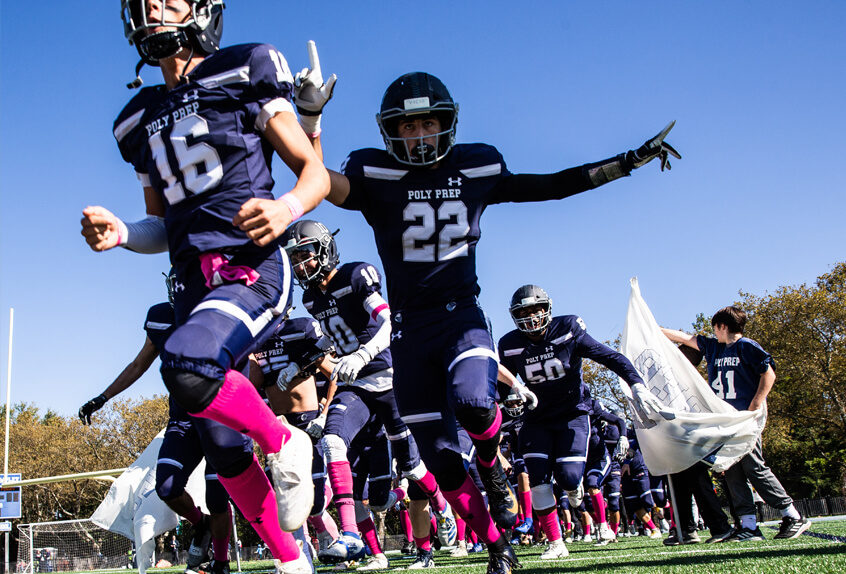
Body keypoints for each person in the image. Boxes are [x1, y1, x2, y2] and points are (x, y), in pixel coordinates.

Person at [297, 51, 677, 573]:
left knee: (476, 401)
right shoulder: (373, 172)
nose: (420, 135)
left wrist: (625, 162)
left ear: (447, 123)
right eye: (408, 125)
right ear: (391, 131)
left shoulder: (476, 165)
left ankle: (491, 457)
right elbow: (318, 183)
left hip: (460, 316)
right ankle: (496, 542)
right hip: (409, 328)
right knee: (439, 461)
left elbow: (550, 185)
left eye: (429, 122)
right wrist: (310, 119)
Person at [80, 2, 331, 572]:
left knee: (186, 365)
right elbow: (163, 228)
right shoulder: (137, 118)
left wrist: (286, 208)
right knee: (219, 445)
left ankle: (285, 441)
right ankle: (292, 561)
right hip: (196, 286)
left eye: (169, 3)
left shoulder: (245, 68)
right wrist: (121, 233)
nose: (155, 15)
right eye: (146, 5)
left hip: (252, 267)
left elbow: (313, 173)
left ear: (203, 9)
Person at [281, 220, 456, 563]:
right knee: (332, 442)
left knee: (410, 467)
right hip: (355, 384)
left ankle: (441, 503)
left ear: (325, 250)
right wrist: (303, 365)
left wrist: (361, 355)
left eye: (306, 255)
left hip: (390, 377)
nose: (301, 265)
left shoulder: (356, 276)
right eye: (295, 258)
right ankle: (349, 533)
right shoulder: (310, 298)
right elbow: (336, 337)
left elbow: (388, 321)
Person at [78, 285, 242, 574]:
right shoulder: (161, 316)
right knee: (167, 485)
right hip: (182, 420)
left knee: (217, 497)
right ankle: (199, 524)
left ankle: (221, 562)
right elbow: (139, 363)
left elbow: (246, 364)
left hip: (219, 417)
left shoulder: (220, 311)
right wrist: (103, 397)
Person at [498, 285, 649, 559]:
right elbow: (502, 385)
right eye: (523, 312)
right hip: (537, 418)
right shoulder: (509, 344)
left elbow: (609, 356)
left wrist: (636, 383)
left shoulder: (567, 328)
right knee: (539, 482)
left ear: (547, 309)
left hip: (572, 415)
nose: (531, 317)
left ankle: (574, 488)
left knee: (569, 478)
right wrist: (509, 398)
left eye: (536, 310)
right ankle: (556, 542)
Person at [661, 306, 811, 541]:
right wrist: (654, 329)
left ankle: (791, 514)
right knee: (731, 468)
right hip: (725, 419)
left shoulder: (747, 346)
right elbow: (684, 338)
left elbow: (768, 373)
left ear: (722, 326)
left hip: (744, 417)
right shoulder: (714, 348)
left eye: (715, 328)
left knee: (754, 466)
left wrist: (756, 404)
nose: (713, 332)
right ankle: (749, 525)